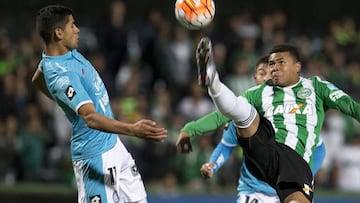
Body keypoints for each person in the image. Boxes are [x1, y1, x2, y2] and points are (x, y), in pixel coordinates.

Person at [178, 37, 360, 203]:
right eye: (272, 64)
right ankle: (213, 82)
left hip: (294, 163)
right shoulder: (260, 92)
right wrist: (190, 129)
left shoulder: (316, 87)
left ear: (297, 66)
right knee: (242, 113)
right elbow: (222, 115)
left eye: (281, 63)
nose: (274, 68)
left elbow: (351, 106)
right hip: (264, 152)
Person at [31, 5, 167, 203]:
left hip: (112, 145)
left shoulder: (57, 55)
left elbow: (37, 78)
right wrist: (132, 129)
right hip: (94, 155)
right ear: (58, 33)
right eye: (72, 25)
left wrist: (67, 103)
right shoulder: (62, 75)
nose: (77, 29)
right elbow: (91, 118)